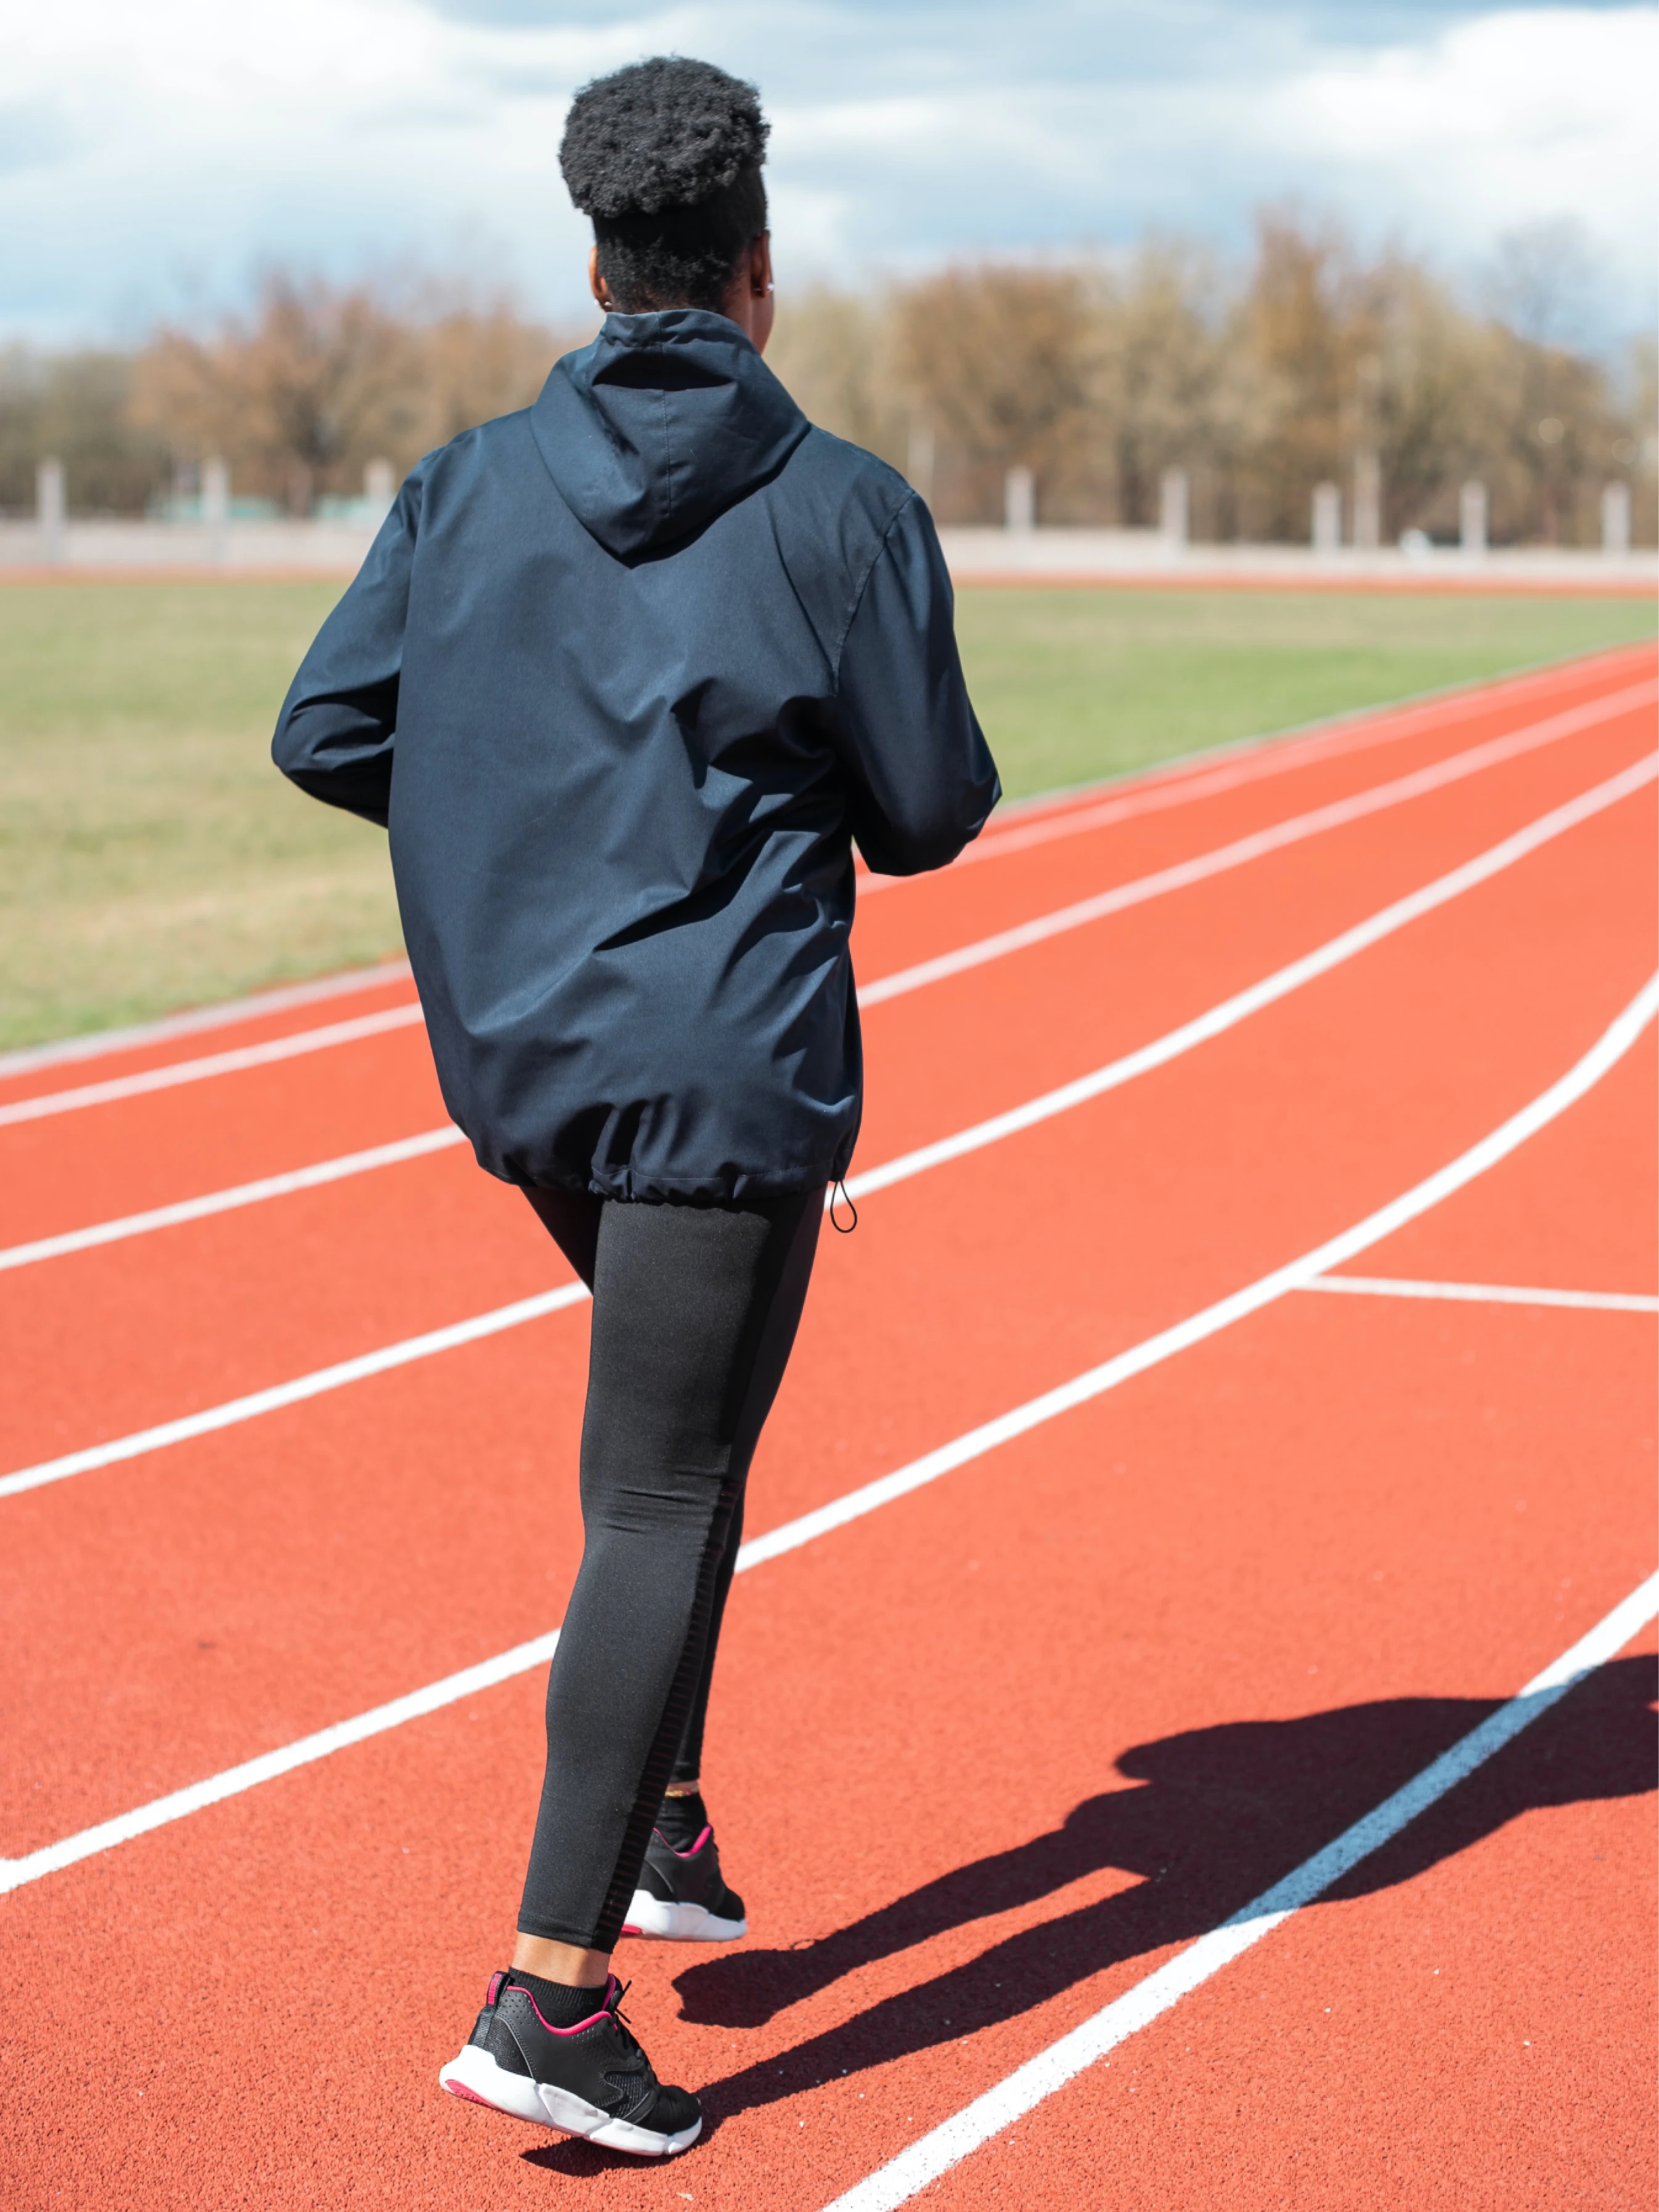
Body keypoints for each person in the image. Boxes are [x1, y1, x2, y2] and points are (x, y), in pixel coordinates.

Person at [273, 54, 998, 2160]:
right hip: (720, 1063)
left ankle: (667, 1821)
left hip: (523, 1062)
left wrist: (530, 812)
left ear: (596, 260)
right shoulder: (842, 502)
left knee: (674, 1459)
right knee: (661, 1496)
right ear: (758, 269)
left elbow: (334, 726)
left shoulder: (462, 479)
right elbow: (934, 808)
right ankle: (552, 1994)